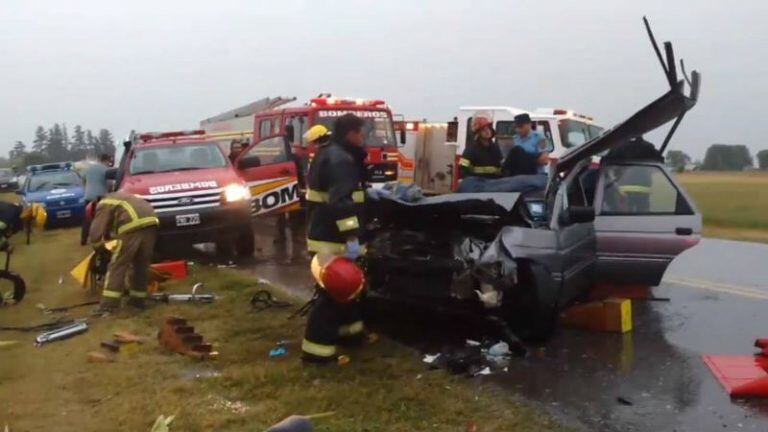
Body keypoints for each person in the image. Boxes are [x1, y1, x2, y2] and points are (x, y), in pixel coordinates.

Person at [302, 114, 369, 363]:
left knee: (349, 293)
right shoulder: (340, 160)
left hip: (327, 236)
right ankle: (316, 353)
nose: (363, 137)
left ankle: (351, 336)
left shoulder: (332, 154)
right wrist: (352, 235)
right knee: (333, 296)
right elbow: (341, 201)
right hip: (334, 241)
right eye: (361, 132)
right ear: (350, 133)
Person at [88, 191, 159, 312]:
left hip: (131, 224)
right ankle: (138, 301)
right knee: (141, 264)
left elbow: (97, 230)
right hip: (151, 221)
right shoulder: (122, 198)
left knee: (118, 265)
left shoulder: (103, 204)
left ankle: (108, 306)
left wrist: (97, 247)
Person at [456, 117, 503, 192]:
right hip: (478, 186)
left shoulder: (495, 148)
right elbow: (463, 169)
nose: (487, 131)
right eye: (483, 130)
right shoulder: (470, 149)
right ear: (478, 133)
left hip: (494, 185)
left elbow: (501, 166)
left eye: (488, 129)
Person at [81, 154, 111, 245]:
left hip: (88, 196)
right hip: (100, 196)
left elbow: (83, 180)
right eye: (109, 161)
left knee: (87, 218)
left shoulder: (89, 169)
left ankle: (83, 240)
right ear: (106, 160)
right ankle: (106, 236)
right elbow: (109, 184)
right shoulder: (106, 169)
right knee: (105, 217)